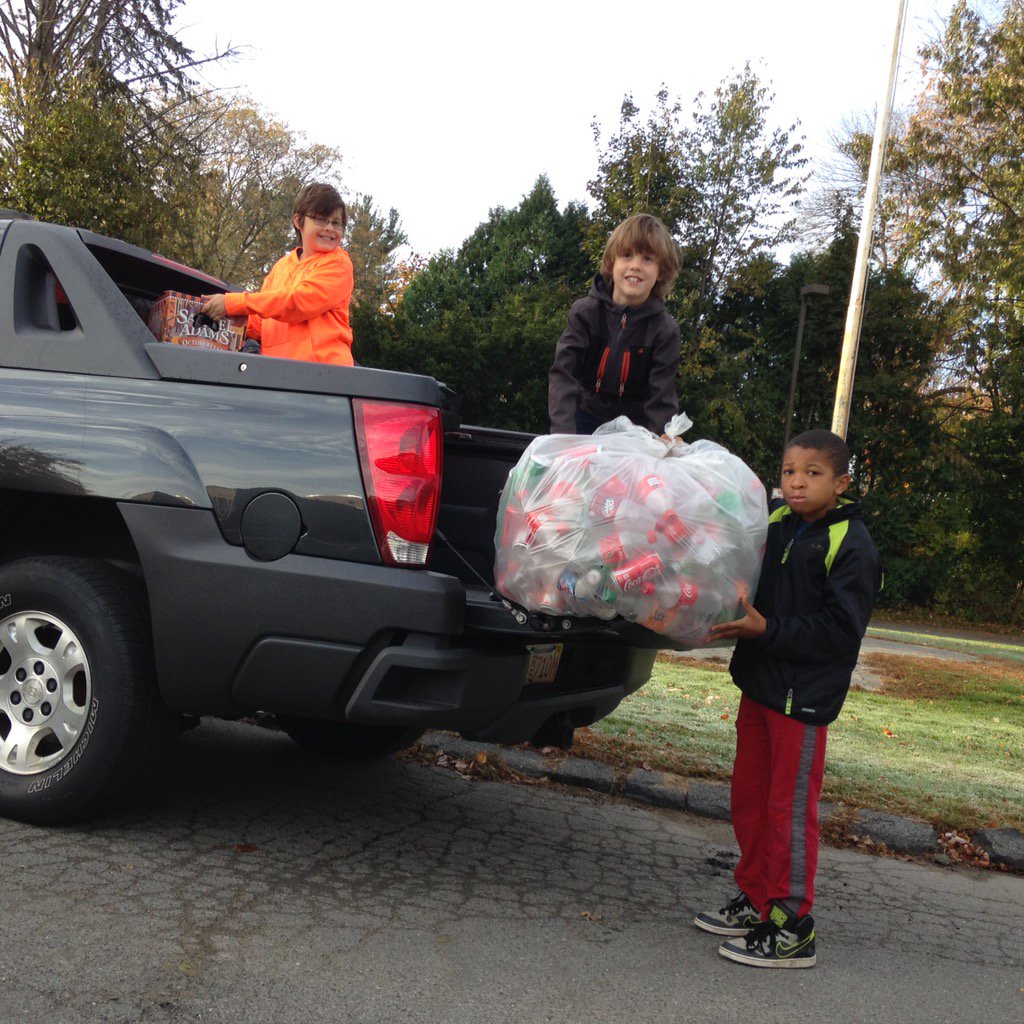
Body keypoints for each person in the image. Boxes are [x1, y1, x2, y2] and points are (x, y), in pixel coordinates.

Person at [697, 429, 883, 968]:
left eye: (812, 473)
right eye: (788, 471)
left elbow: (838, 633)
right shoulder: (778, 524)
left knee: (789, 811)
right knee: (749, 799)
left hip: (802, 701)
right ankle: (757, 899)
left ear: (842, 482)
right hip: (759, 687)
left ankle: (793, 923)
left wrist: (765, 631)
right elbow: (741, 576)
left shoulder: (852, 544)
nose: (796, 482)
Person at [548, 213, 681, 435]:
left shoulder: (665, 331)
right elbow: (564, 374)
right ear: (611, 263)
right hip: (583, 419)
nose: (635, 266)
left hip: (634, 430)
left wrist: (660, 443)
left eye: (648, 258)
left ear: (661, 271)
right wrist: (563, 436)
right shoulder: (585, 313)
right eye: (627, 255)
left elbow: (661, 399)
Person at [201, 183, 354, 365]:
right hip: (278, 375)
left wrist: (234, 303)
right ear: (299, 221)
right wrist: (207, 319)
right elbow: (259, 324)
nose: (330, 228)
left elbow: (298, 302)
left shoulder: (338, 262)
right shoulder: (281, 267)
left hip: (322, 377)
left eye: (336, 223)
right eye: (321, 219)